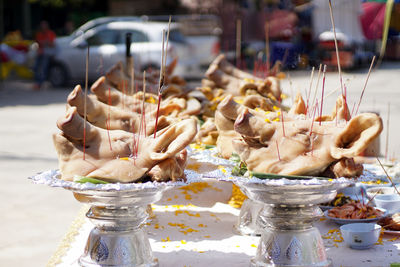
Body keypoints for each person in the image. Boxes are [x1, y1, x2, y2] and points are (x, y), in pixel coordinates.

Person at [33, 21, 56, 90]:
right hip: (40, 53)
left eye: (44, 25)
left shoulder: (50, 33)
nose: (43, 27)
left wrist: (45, 42)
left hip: (47, 54)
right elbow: (38, 43)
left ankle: (40, 83)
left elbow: (52, 44)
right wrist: (45, 42)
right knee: (36, 67)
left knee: (43, 68)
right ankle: (37, 82)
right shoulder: (39, 34)